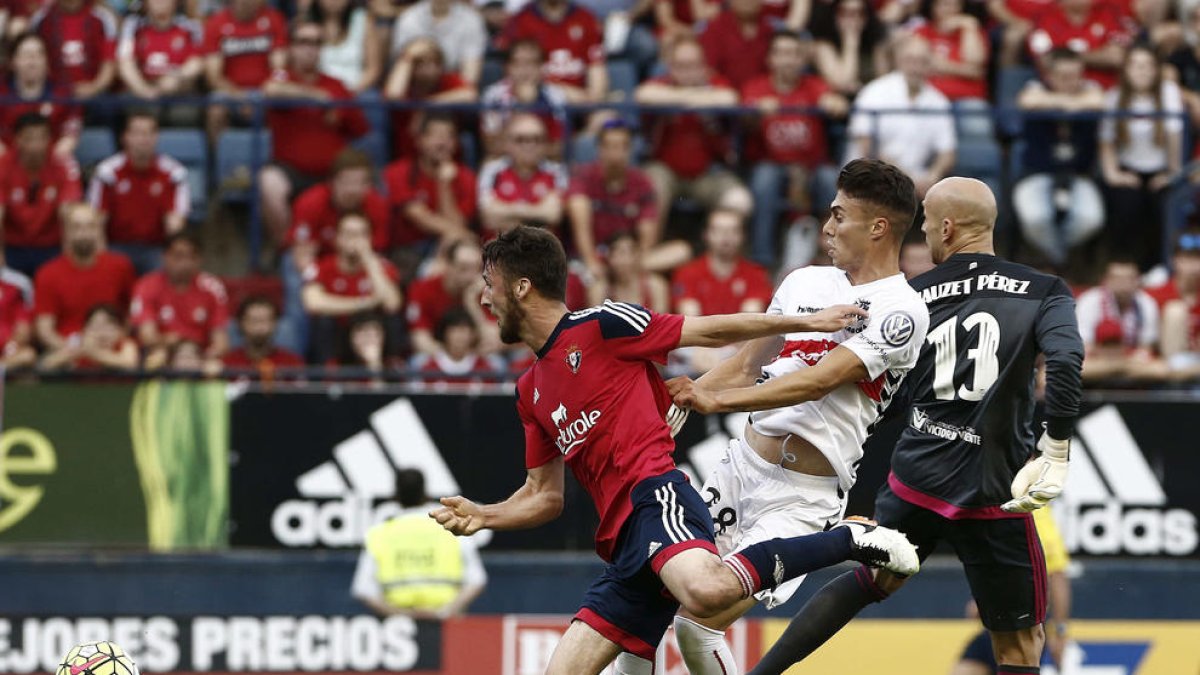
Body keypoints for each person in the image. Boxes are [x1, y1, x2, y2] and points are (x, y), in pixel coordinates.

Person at [429, 225, 919, 675]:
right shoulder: (529, 390)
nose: (483, 299)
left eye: (489, 283)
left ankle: (849, 540)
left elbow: (707, 330)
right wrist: (485, 514)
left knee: (705, 595)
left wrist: (806, 322)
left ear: (522, 287)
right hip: (621, 544)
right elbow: (543, 496)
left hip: (656, 499)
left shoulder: (602, 324)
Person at [744, 176, 1085, 675]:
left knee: (871, 581)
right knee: (1020, 645)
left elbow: (875, 383)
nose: (923, 235)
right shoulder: (1043, 290)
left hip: (919, 478)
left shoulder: (912, 293)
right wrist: (1055, 446)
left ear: (947, 228)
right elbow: (1067, 361)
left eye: (925, 225)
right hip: (996, 487)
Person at [656, 159, 929, 674]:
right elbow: (746, 363)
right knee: (648, 607)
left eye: (839, 215)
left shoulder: (903, 310)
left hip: (802, 498)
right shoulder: (804, 282)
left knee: (698, 623)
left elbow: (820, 379)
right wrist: (678, 404)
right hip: (739, 469)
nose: (827, 227)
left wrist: (712, 403)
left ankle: (850, 537)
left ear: (878, 227)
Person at [742, 29, 848, 266]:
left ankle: (832, 255)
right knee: (764, 180)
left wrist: (835, 103)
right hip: (772, 164)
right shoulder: (756, 87)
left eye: (793, 54)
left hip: (812, 166)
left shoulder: (814, 85)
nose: (787, 60)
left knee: (832, 179)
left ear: (802, 59)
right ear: (770, 58)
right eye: (780, 53)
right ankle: (763, 260)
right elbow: (744, 122)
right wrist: (756, 113)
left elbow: (836, 102)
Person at [259, 20, 369, 246]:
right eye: (304, 42)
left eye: (317, 43)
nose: (311, 49)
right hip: (290, 169)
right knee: (269, 182)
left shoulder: (337, 85)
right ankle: (287, 247)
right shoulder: (284, 79)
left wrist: (338, 113)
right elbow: (271, 91)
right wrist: (317, 96)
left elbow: (360, 128)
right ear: (291, 47)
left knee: (359, 181)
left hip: (332, 172)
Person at [635, 37, 752, 225]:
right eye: (681, 66)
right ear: (670, 67)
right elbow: (643, 94)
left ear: (704, 66)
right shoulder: (662, 83)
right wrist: (695, 97)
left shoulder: (716, 83)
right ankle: (646, 252)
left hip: (708, 173)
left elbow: (730, 98)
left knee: (739, 201)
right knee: (652, 190)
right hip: (665, 171)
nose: (687, 72)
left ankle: (720, 254)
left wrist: (680, 99)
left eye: (693, 65)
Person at [1013, 47, 1106, 268]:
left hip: (1079, 175)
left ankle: (1053, 261)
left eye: (1075, 76)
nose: (1070, 82)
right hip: (1036, 174)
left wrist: (1060, 103)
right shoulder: (1035, 87)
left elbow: (1099, 101)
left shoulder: (1091, 89)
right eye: (1063, 77)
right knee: (1036, 219)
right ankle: (1061, 262)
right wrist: (1072, 104)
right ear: (1049, 76)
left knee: (1090, 219)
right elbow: (1027, 101)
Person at [951, 508, 1073, 674]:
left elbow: (1056, 575)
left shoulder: (1035, 514)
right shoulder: (997, 507)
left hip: (1025, 625)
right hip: (1000, 621)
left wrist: (1059, 631)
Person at [354, 468, 489, 618]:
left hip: (398, 630)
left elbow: (364, 589)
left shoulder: (379, 534)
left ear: (395, 497)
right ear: (426, 494)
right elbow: (477, 580)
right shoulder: (452, 527)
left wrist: (400, 615)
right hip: (446, 624)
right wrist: (445, 613)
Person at [566, 120, 691, 279]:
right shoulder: (583, 176)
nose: (616, 154)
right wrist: (591, 261)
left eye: (622, 147)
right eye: (610, 146)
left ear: (630, 150)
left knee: (681, 251)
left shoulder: (642, 182)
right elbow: (579, 223)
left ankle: (624, 273)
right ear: (600, 149)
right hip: (592, 258)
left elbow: (647, 236)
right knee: (578, 203)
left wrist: (631, 262)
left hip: (628, 259)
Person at [1099, 44, 1184, 271]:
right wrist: (1114, 174)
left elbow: (1175, 135)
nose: (1142, 71)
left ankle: (1157, 268)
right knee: (1127, 205)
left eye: (1147, 66)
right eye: (1136, 66)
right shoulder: (1114, 97)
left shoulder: (1169, 92)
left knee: (1162, 206)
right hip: (1129, 169)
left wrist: (1172, 174)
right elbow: (1106, 142)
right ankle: (1124, 266)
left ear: (1156, 69)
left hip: (1161, 170)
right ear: (1126, 70)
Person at [847, 35, 957, 198]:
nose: (916, 67)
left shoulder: (939, 102)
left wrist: (934, 175)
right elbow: (867, 146)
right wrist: (907, 178)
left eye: (922, 61)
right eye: (910, 60)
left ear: (930, 64)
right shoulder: (874, 92)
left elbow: (948, 152)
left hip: (917, 185)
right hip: (869, 178)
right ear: (898, 60)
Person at [87, 111, 190, 274]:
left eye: (149, 133)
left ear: (156, 137)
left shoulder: (174, 173)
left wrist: (172, 257)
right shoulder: (107, 172)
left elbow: (176, 225)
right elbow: (97, 222)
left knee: (168, 267)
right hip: (116, 246)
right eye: (137, 133)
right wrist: (102, 260)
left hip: (155, 248)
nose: (143, 139)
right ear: (125, 137)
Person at [33, 203, 136, 351]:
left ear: (99, 229)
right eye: (76, 227)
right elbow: (45, 330)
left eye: (90, 226)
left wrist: (115, 341)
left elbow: (130, 316)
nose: (83, 233)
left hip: (113, 352)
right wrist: (75, 352)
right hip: (68, 356)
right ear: (65, 231)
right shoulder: (48, 273)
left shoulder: (120, 266)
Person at [302, 212, 403, 362]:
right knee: (323, 322)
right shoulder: (322, 267)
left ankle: (388, 369)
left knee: (391, 321)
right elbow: (313, 303)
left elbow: (392, 304)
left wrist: (369, 259)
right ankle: (327, 375)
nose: (354, 240)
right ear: (337, 239)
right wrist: (365, 303)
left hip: (370, 332)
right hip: (338, 333)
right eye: (348, 234)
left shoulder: (382, 266)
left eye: (361, 234)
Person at [382, 114, 478, 265]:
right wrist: (464, 234)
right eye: (435, 135)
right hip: (409, 249)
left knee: (456, 247)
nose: (442, 143)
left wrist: (444, 184)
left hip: (452, 246)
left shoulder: (467, 177)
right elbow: (421, 218)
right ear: (419, 140)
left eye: (449, 137)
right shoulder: (398, 172)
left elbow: (458, 222)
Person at [131, 232, 230, 371]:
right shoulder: (146, 285)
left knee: (215, 367)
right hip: (163, 353)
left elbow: (221, 343)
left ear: (199, 260)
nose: (185, 263)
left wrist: (198, 356)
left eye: (191, 257)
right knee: (155, 360)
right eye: (178, 256)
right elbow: (147, 337)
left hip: (199, 356)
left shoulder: (212, 287)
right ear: (164, 257)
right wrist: (174, 343)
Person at [0, 113, 82, 276]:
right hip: (12, 247)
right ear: (17, 140)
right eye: (29, 138)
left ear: (50, 140)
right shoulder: (3, 166)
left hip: (51, 248)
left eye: (41, 138)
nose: (36, 145)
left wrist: (69, 257)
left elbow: (68, 212)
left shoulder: (63, 165)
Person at [202, 0, 288, 140]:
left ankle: (278, 156)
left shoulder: (273, 19)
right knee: (216, 109)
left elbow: (280, 69)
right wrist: (242, 98)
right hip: (231, 92)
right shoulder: (216, 23)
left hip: (265, 92)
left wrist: (266, 93)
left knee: (283, 96)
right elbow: (214, 77)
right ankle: (215, 159)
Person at [499, 0, 608, 103]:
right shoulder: (521, 20)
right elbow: (520, 81)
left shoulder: (586, 18)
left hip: (582, 104)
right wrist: (566, 94)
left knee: (607, 118)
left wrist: (589, 98)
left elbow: (597, 88)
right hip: (539, 102)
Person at [478, 114, 568, 237]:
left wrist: (507, 212)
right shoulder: (492, 170)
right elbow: (488, 216)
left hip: (544, 251)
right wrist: (537, 212)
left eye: (537, 139)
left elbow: (553, 215)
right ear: (507, 143)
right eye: (520, 139)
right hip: (499, 249)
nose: (529, 145)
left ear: (546, 144)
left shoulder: (556, 172)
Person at [671, 208, 773, 317]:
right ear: (705, 234)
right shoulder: (687, 272)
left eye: (734, 230)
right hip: (701, 333)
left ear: (743, 236)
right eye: (718, 230)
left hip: (740, 333)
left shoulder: (756, 274)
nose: (726, 236)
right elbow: (691, 321)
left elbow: (750, 322)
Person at [481, 39, 569, 159]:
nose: (524, 71)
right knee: (490, 161)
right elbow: (492, 146)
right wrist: (523, 106)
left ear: (541, 68)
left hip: (543, 161)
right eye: (518, 64)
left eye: (531, 63)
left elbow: (558, 148)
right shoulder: (493, 95)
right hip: (506, 160)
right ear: (507, 68)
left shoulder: (555, 96)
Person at [0, 32, 82, 159]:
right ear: (12, 61)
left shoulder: (63, 94)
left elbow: (69, 137)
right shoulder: (2, 93)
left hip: (52, 162)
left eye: (39, 55)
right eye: (25, 55)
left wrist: (45, 165)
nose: (32, 61)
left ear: (47, 61)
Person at [406, 239, 494, 356]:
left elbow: (493, 341)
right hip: (438, 356)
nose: (471, 276)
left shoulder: (486, 291)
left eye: (477, 269)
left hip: (476, 357)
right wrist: (454, 362)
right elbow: (421, 340)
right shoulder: (423, 289)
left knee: (496, 362)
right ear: (448, 265)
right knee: (419, 360)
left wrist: (471, 303)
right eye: (463, 268)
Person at [117, 0, 204, 104]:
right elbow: (125, 63)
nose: (159, 1)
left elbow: (197, 62)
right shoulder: (132, 26)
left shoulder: (191, 27)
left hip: (179, 92)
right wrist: (143, 89)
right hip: (141, 91)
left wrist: (177, 76)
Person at [1027, 0, 1127, 88]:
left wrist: (1067, 54)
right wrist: (1098, 55)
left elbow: (1117, 57)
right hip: (1058, 93)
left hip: (1105, 94)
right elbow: (1044, 60)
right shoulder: (1045, 15)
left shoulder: (1108, 11)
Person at [29, 0, 117, 100]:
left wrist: (94, 88)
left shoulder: (103, 18)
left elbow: (109, 62)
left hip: (95, 95)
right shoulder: (41, 19)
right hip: (51, 92)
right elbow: (32, 57)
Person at [389, 0, 486, 85]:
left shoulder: (471, 20)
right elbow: (396, 89)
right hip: (412, 86)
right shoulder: (408, 18)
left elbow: (469, 80)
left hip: (453, 87)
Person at [411, 307, 506, 384]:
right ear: (444, 334)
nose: (459, 336)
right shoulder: (428, 367)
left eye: (463, 330)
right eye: (454, 331)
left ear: (473, 335)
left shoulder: (485, 367)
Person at [39, 303, 139, 371]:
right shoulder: (78, 343)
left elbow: (130, 363)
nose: (101, 333)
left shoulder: (126, 344)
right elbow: (46, 365)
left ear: (120, 330)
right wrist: (73, 353)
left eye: (108, 326)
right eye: (95, 326)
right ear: (85, 330)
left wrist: (92, 352)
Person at [308, 0, 383, 93]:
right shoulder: (306, 25)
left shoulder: (363, 20)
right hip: (317, 92)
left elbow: (373, 70)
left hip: (357, 91)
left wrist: (347, 93)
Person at [587, 231, 671, 313]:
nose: (624, 260)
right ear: (609, 258)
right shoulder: (599, 289)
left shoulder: (656, 285)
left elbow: (663, 325)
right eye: (617, 254)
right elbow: (594, 324)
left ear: (638, 255)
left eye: (628, 253)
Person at [698, 0, 772, 90]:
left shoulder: (770, 31)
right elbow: (709, 70)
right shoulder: (715, 28)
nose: (748, 2)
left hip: (763, 97)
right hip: (724, 97)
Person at [224, 296, 306, 374]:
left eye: (265, 320)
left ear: (275, 323)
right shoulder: (227, 364)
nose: (260, 327)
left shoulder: (292, 363)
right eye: (254, 320)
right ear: (241, 323)